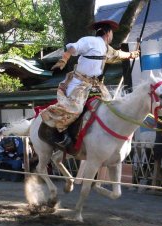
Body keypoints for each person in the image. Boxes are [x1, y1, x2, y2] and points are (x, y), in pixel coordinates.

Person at [40, 20, 140, 150]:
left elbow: (119, 54)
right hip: (79, 83)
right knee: (74, 109)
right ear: (108, 33)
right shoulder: (89, 41)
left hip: (95, 85)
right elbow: (72, 48)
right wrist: (63, 59)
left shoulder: (106, 49)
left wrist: (132, 54)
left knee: (111, 107)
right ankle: (59, 134)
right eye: (112, 33)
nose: (112, 36)